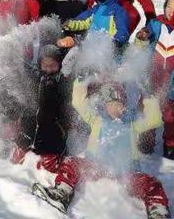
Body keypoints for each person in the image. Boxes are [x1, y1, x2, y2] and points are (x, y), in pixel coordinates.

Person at [31, 78, 170, 219]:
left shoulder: (132, 124)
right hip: (96, 166)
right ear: (104, 106)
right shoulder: (96, 119)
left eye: (119, 104)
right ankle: (61, 193)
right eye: (110, 104)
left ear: (124, 105)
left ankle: (158, 212)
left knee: (152, 183)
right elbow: (78, 104)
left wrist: (149, 96)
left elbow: (154, 119)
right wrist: (81, 81)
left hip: (126, 173)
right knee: (71, 162)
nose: (115, 108)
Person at [5, 45, 71, 164]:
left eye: (53, 66)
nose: (48, 69)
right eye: (45, 66)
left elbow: (65, 106)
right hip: (30, 128)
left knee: (47, 160)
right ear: (40, 65)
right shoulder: (35, 78)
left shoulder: (62, 81)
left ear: (59, 65)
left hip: (52, 132)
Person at [136, 0, 174, 159]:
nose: (172, 11)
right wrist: (142, 35)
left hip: (171, 79)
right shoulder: (156, 23)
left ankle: (170, 144)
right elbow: (144, 38)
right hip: (153, 74)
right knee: (147, 106)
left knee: (169, 113)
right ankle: (146, 138)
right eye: (169, 6)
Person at [58, 0, 130, 51]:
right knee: (72, 54)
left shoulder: (118, 11)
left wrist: (117, 42)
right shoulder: (95, 9)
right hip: (91, 46)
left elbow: (122, 29)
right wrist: (68, 23)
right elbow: (83, 22)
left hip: (109, 49)